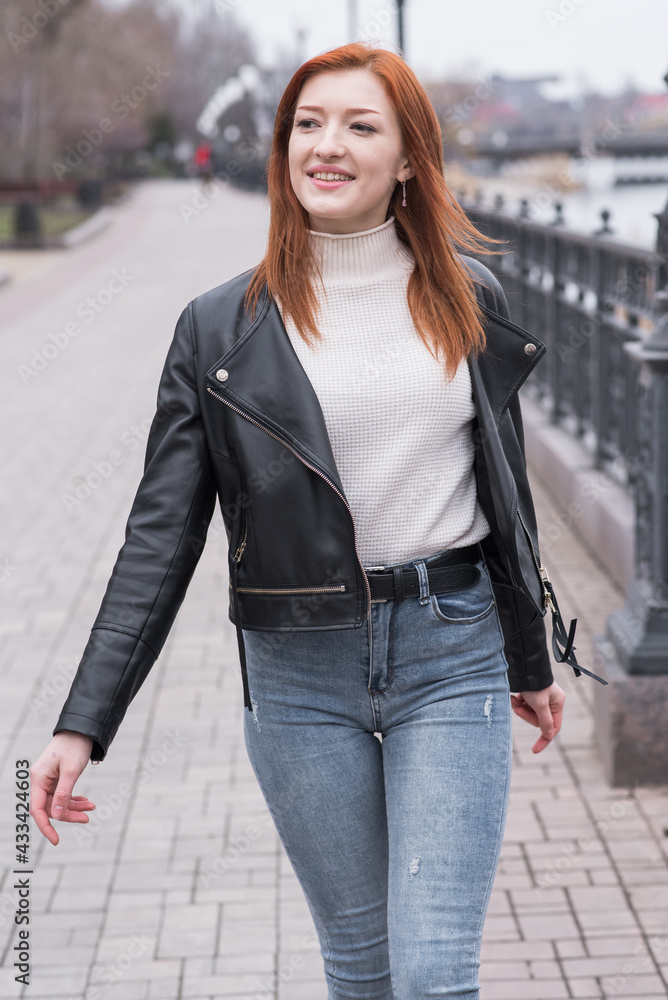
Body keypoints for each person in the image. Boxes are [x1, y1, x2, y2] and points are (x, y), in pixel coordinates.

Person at [31, 42, 601, 999]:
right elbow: (159, 538)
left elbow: (504, 490)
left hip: (450, 651)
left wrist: (530, 657)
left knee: (431, 976)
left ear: (410, 158)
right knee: (363, 970)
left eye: (359, 125)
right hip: (298, 676)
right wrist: (83, 723)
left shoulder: (468, 296)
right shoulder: (219, 329)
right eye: (308, 123)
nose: (325, 146)